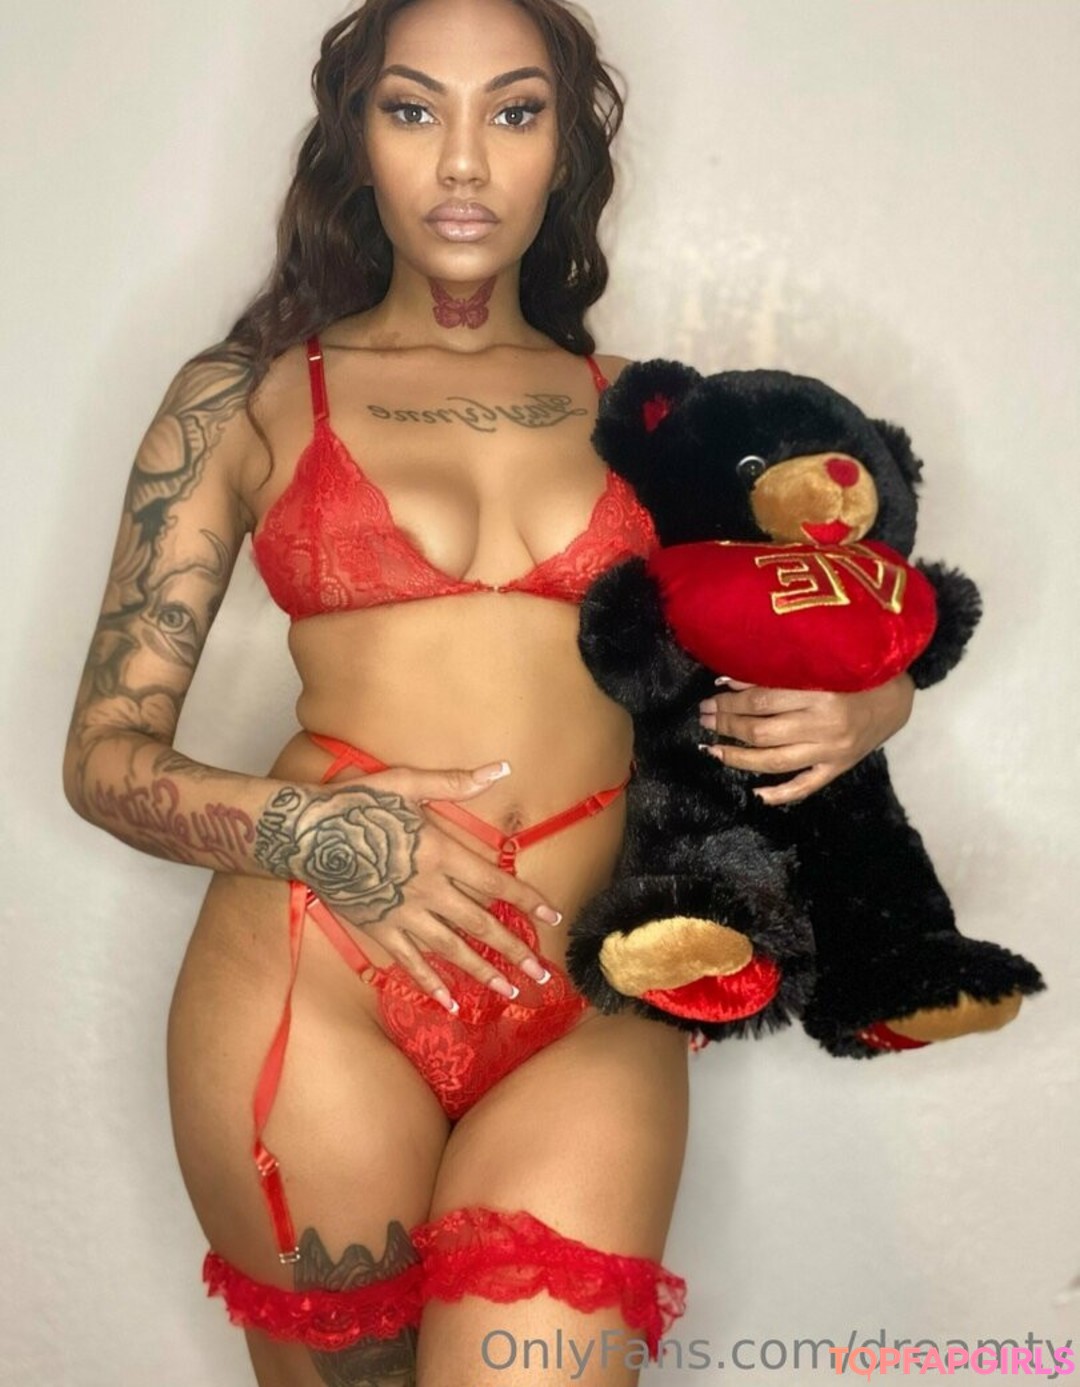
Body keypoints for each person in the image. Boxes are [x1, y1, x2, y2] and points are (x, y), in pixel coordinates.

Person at [62, 0, 915, 1383]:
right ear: (356, 138)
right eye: (414, 110)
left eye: (513, 112)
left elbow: (830, 618)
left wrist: (876, 707)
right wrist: (322, 833)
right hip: (319, 975)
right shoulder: (244, 399)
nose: (463, 161)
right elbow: (104, 756)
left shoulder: (663, 417)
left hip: (596, 980)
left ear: (565, 147)